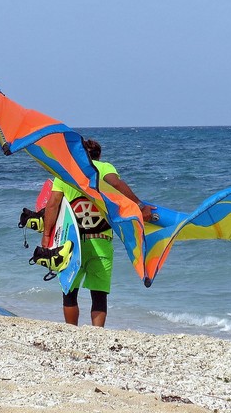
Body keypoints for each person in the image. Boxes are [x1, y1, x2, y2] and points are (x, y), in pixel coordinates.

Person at [42, 139, 154, 327]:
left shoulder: (65, 173)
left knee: (69, 289)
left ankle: (71, 330)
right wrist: (140, 205)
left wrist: (46, 237)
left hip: (72, 241)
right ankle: (97, 333)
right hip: (101, 238)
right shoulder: (104, 168)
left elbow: (52, 205)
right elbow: (116, 184)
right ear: (98, 156)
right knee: (99, 293)